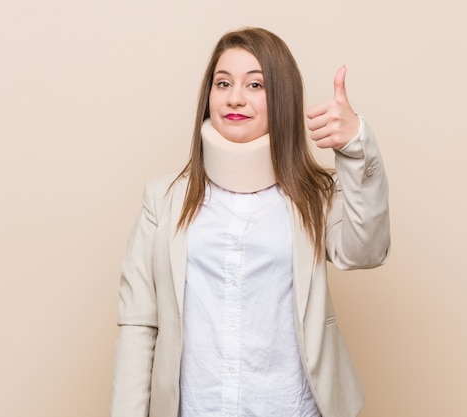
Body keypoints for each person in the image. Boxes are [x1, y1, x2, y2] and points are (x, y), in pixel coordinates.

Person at [110, 27, 390, 417]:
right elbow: (139, 323)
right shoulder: (164, 199)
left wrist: (357, 146)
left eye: (255, 84)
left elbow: (367, 251)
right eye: (223, 83)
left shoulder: (316, 195)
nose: (235, 97)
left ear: (282, 97)